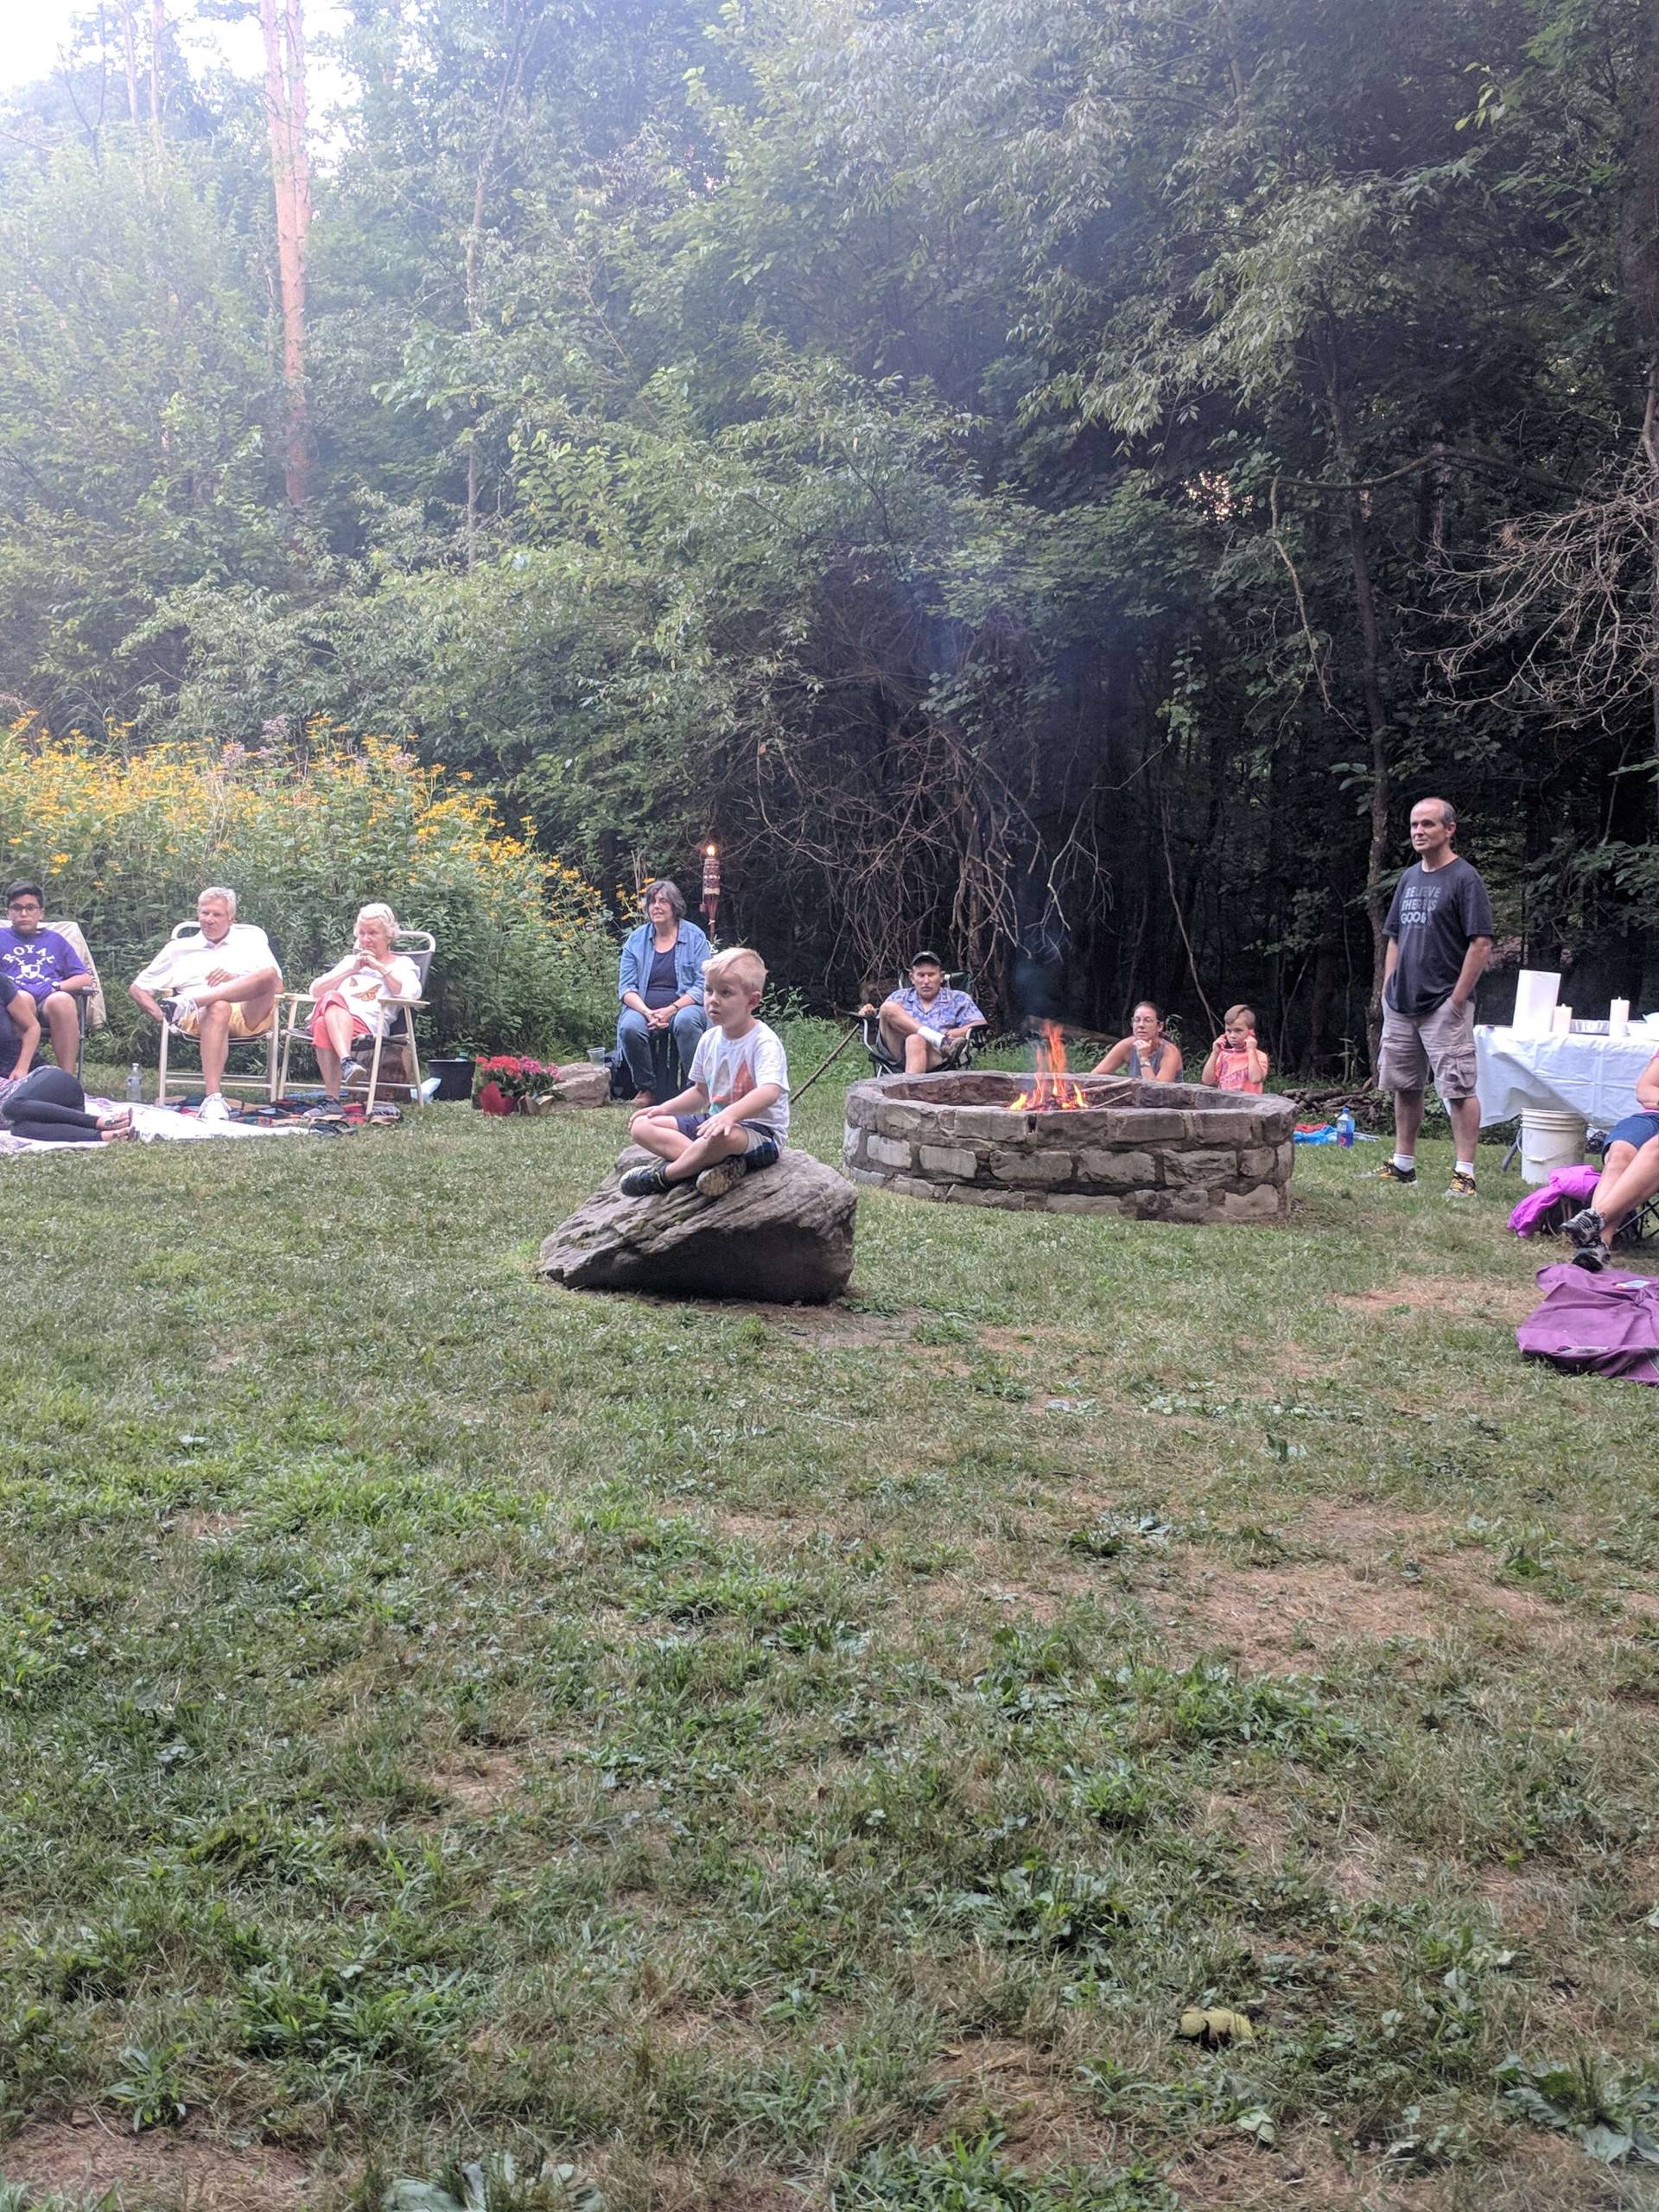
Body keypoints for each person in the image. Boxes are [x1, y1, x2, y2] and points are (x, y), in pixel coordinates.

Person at [1372, 798, 1494, 1199]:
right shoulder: (1409, 877)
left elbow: (1480, 943)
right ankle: (1403, 1164)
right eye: (1413, 825)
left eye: (1427, 824)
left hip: (1444, 1002)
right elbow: (1393, 937)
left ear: (1449, 829)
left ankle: (1465, 1174)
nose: (1419, 832)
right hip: (1402, 1003)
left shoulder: (1465, 879)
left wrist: (1457, 999)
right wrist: (1389, 985)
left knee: (1457, 1088)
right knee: (1405, 1085)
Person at [620, 945, 788, 1198]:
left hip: (756, 1133)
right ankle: (712, 1166)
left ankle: (666, 1176)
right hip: (713, 1123)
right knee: (642, 1126)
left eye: (726, 993)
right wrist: (664, 1109)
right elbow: (700, 1092)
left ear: (752, 1001)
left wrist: (730, 1115)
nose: (713, 1000)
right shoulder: (709, 1039)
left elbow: (769, 1092)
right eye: (709, 990)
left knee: (722, 1138)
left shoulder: (763, 1041)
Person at [129, 887, 283, 1123]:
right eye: (204, 913)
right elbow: (138, 988)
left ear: (231, 918)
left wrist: (235, 981)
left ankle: (193, 999)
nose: (209, 920)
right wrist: (163, 1018)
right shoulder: (179, 949)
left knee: (269, 974)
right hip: (200, 1017)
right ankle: (212, 1098)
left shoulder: (252, 944)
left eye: (217, 915)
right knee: (218, 1006)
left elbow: (276, 987)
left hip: (246, 1012)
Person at [303, 903, 422, 1114]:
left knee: (323, 1021)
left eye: (373, 933)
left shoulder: (402, 964)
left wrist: (380, 968)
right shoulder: (350, 961)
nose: (366, 939)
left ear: (388, 935)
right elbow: (315, 990)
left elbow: (411, 993)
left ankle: (332, 1100)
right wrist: (349, 971)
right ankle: (347, 1062)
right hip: (338, 1021)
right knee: (330, 999)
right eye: (363, 933)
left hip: (366, 1026)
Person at [615, 879, 712, 1103]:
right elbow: (626, 988)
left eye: (662, 901)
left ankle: (696, 1088)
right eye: (651, 902)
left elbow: (702, 985)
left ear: (674, 906)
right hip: (644, 1008)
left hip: (684, 1006)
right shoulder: (636, 940)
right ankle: (646, 1089)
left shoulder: (694, 937)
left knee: (687, 1022)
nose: (656, 906)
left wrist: (671, 1010)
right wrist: (648, 1012)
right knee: (630, 1026)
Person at [1561, 1051, 1659, 1270]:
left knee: (1655, 1148)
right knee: (1620, 1153)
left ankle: (1596, 1217)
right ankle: (1599, 1244)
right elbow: (1645, 1090)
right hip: (1653, 1116)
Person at [0, 880, 94, 1077]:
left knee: (63, 1001)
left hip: (50, 998)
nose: (23, 913)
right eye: (17, 908)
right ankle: (19, 1072)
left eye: (30, 908)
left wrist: (56, 986)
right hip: (15, 1000)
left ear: (41, 913)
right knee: (23, 999)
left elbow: (84, 978)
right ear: (8, 913)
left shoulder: (55, 940)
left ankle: (65, 1078)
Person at [860, 952, 986, 1073]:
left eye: (931, 975)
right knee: (887, 1008)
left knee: (915, 1040)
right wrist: (867, 1012)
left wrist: (954, 1033)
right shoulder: (900, 997)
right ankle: (940, 1041)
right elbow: (879, 1023)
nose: (926, 981)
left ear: (941, 977)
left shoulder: (958, 998)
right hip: (897, 1054)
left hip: (937, 1059)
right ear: (912, 978)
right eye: (921, 975)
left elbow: (980, 1024)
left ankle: (910, 1089)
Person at [0, 1065, 134, 1145]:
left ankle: (102, 1121)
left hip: (54, 1083)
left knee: (10, 1106)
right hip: (65, 1113)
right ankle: (105, 1136)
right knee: (19, 1129)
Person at [1092, 1001, 1183, 1083]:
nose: (1141, 1025)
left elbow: (1157, 1093)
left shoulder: (1170, 1052)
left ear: (1159, 1026)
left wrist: (1143, 1058)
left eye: (1148, 1021)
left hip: (1168, 1100)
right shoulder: (1127, 1045)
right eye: (1137, 1020)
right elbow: (1094, 1075)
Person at [1201, 1004, 1270, 1094]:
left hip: (1249, 1105)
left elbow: (1255, 1079)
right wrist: (1214, 1053)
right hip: (1225, 1103)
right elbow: (1207, 1081)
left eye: (1238, 1030)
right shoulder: (1223, 1055)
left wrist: (1251, 1050)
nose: (1232, 1036)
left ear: (1251, 1032)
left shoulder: (1259, 1055)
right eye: (1229, 1031)